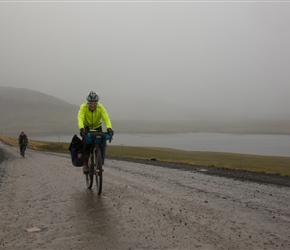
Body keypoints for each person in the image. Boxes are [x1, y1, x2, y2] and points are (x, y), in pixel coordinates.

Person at [78, 91, 114, 174]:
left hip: (98, 127)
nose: (92, 105)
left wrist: (109, 128)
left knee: (102, 143)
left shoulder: (100, 107)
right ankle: (85, 165)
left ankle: (100, 164)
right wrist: (81, 129)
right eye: (90, 103)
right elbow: (80, 118)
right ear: (88, 102)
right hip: (86, 127)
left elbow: (106, 118)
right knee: (86, 145)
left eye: (94, 103)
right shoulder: (83, 107)